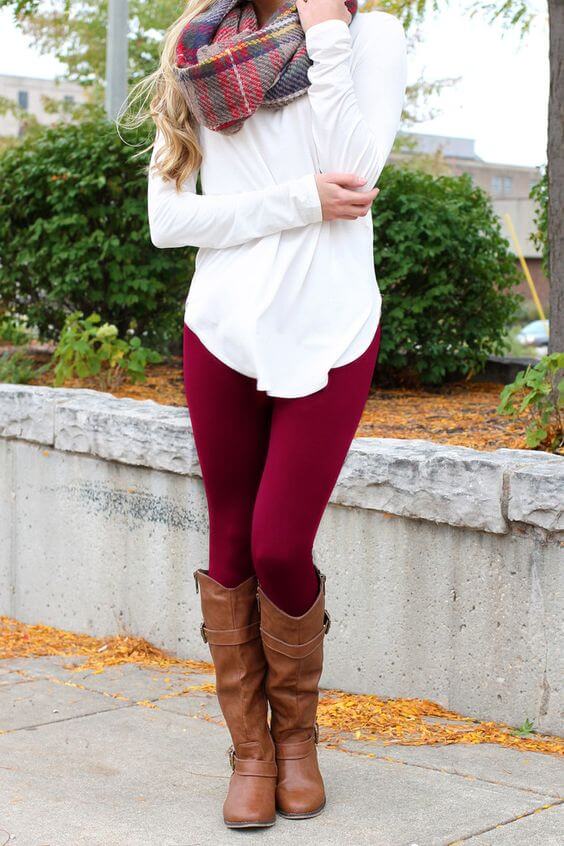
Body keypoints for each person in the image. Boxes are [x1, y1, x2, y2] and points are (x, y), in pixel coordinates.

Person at [144, 0, 407, 828]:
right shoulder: (196, 44)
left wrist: (326, 29)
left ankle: (299, 742)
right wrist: (297, 201)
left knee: (280, 543)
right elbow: (168, 219)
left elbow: (357, 172)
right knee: (229, 543)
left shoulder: (369, 37)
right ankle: (253, 754)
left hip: (330, 327)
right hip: (222, 329)